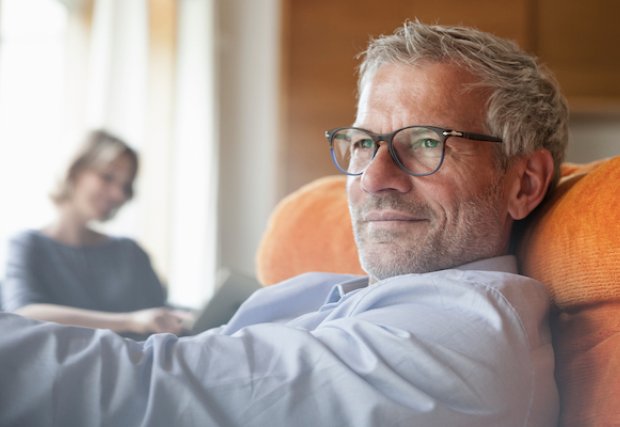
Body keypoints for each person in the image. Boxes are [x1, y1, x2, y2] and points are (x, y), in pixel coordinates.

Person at [0, 21, 567, 427]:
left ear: (524, 183)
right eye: (364, 143)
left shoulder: (461, 342)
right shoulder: (360, 295)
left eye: (425, 143)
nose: (373, 178)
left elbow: (153, 391)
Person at [2, 130, 190, 337]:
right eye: (108, 177)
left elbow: (159, 314)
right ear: (75, 171)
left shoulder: (130, 251)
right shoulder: (29, 245)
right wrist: (130, 321)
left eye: (125, 186)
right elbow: (23, 315)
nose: (118, 194)